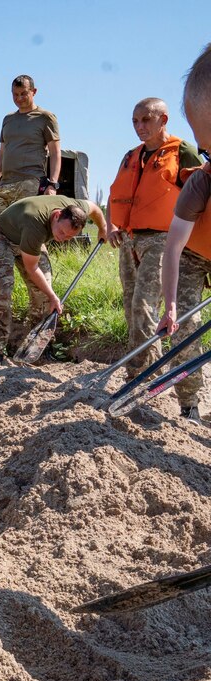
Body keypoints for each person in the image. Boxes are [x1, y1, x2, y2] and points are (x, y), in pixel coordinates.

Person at [106, 98, 201, 379]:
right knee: (130, 306)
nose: (139, 126)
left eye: (146, 119)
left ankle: (138, 375)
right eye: (135, 121)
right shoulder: (130, 155)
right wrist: (112, 225)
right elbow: (115, 194)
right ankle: (151, 367)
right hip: (129, 239)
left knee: (144, 306)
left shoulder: (183, 151)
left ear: (164, 120)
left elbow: (200, 192)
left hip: (163, 239)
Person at [0, 195, 107, 365]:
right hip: (2, 238)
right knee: (4, 289)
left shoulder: (77, 210)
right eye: (61, 232)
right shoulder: (36, 224)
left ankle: (37, 346)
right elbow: (31, 268)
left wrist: (103, 227)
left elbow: (94, 208)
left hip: (29, 241)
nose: (63, 238)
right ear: (56, 216)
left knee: (43, 293)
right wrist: (54, 296)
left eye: (69, 237)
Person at [156, 42, 211, 424]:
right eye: (206, 151)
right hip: (193, 254)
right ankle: (189, 404)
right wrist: (172, 305)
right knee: (186, 329)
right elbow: (173, 248)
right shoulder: (200, 184)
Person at [0, 75, 61, 236]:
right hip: (5, 184)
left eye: (23, 94)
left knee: (25, 234)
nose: (19, 98)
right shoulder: (8, 119)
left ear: (34, 92)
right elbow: (2, 153)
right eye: (15, 94)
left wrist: (52, 184)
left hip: (31, 182)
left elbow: (56, 153)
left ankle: (37, 262)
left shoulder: (45, 117)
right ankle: (0, 261)